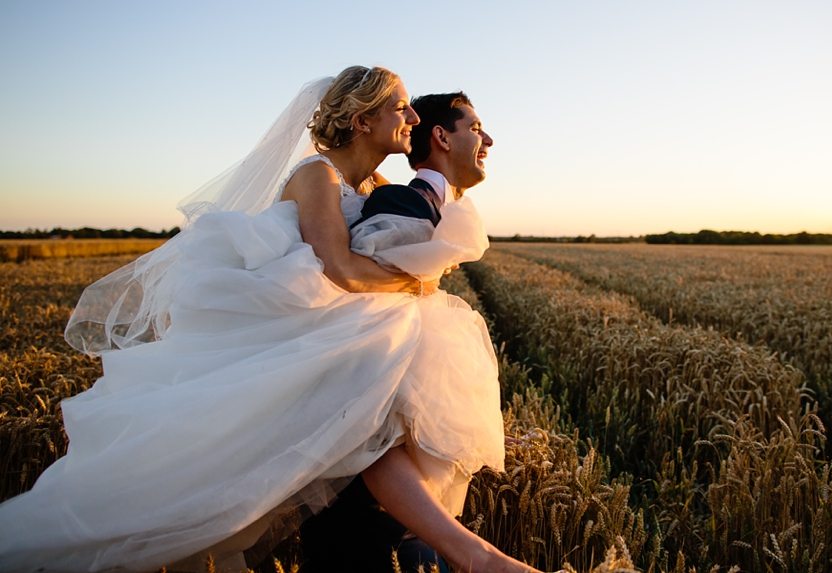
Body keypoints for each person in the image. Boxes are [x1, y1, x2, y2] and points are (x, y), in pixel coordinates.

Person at [0, 66, 539, 573]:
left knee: (378, 410)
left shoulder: (377, 188)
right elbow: (341, 268)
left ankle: (441, 543)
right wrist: (417, 284)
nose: (413, 119)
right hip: (291, 315)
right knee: (354, 409)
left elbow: (385, 247)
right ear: (363, 120)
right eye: (401, 108)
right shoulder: (316, 176)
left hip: (332, 319)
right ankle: (469, 553)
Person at [299, 91, 501, 572]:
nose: (488, 139)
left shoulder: (415, 198)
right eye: (475, 128)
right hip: (363, 494)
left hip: (394, 487)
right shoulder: (402, 201)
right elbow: (363, 317)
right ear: (440, 137)